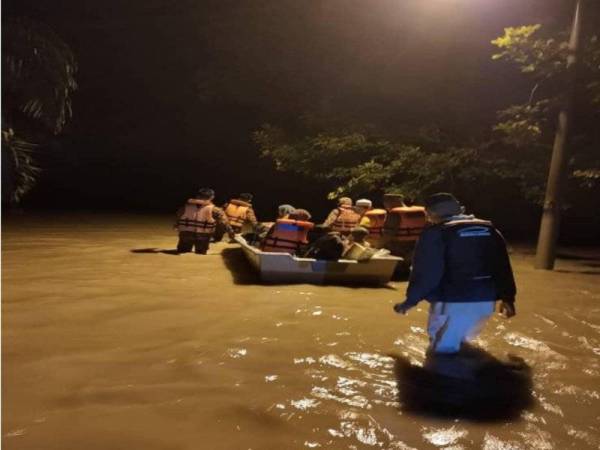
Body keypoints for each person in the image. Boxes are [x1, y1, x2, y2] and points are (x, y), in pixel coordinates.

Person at [393, 192, 516, 355]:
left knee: (441, 352)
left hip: (451, 302)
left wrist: (410, 301)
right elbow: (503, 267)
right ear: (460, 210)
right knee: (463, 344)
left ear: (431, 213)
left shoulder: (436, 234)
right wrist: (508, 297)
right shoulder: (491, 230)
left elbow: (427, 274)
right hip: (485, 303)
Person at [175, 188, 234, 254]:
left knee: (183, 250)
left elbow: (178, 217)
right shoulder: (215, 209)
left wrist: (176, 226)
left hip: (185, 233)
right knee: (201, 253)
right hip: (203, 235)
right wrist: (230, 232)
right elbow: (224, 222)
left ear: (197, 196)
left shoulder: (185, 207)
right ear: (212, 197)